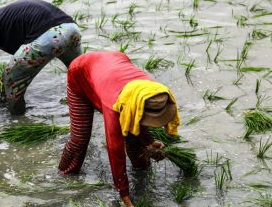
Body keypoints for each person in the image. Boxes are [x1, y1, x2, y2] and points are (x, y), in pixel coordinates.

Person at [58, 51, 180, 207]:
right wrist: (124, 194)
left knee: (135, 138)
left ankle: (141, 171)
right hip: (81, 73)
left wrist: (149, 142)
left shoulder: (153, 91)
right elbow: (115, 150)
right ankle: (63, 176)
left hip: (113, 64)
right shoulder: (114, 105)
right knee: (80, 139)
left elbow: (139, 121)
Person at [0, 0, 82, 114]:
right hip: (71, 29)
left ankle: (17, 118)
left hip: (50, 36)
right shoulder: (3, 17)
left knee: (10, 78)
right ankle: (88, 105)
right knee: (80, 76)